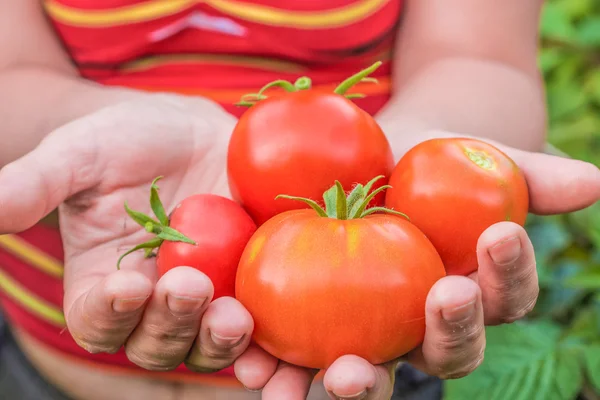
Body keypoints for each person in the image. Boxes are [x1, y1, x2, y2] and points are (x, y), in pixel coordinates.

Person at [0, 0, 598, 399]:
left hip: (364, 340)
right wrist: (76, 128)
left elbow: (479, 57)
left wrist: (426, 162)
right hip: (44, 363)